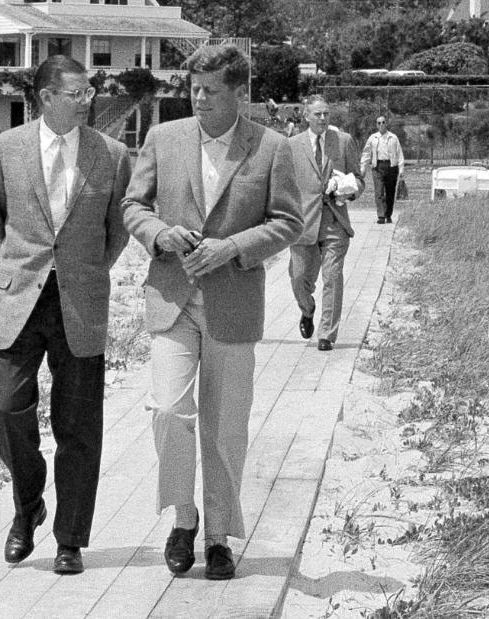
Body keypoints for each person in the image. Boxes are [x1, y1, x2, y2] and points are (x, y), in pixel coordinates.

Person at [121, 45, 302, 580]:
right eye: (193, 89)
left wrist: (234, 247)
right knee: (169, 411)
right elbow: (135, 206)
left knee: (226, 426)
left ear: (239, 94)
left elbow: (289, 221)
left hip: (234, 302)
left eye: (211, 91)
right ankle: (183, 518)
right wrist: (160, 234)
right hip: (172, 298)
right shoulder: (163, 138)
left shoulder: (272, 147)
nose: (198, 99)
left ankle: (219, 535)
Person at [0, 55, 132, 575]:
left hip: (81, 301)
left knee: (79, 426)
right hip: (19, 298)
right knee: (4, 409)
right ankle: (28, 505)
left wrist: (82, 272)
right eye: (78, 93)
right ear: (47, 97)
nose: (88, 99)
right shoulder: (6, 148)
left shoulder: (112, 154)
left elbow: (117, 232)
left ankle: (70, 539)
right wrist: (28, 269)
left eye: (89, 92)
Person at [288, 95, 364, 352]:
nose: (323, 118)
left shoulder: (343, 142)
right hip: (303, 223)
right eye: (318, 114)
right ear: (306, 116)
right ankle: (307, 310)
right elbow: (283, 186)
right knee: (299, 278)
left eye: (327, 114)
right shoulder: (292, 146)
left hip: (334, 221)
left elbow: (359, 178)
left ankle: (326, 334)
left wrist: (349, 190)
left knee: (332, 277)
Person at [360, 115, 404, 224]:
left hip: (391, 167)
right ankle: (381, 216)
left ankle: (388, 215)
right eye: (378, 123)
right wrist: (363, 167)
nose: (381, 125)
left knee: (390, 192)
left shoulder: (393, 137)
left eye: (383, 122)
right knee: (379, 192)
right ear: (376, 125)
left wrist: (401, 168)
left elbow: (399, 153)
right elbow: (366, 152)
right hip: (377, 167)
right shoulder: (373, 138)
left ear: (386, 124)